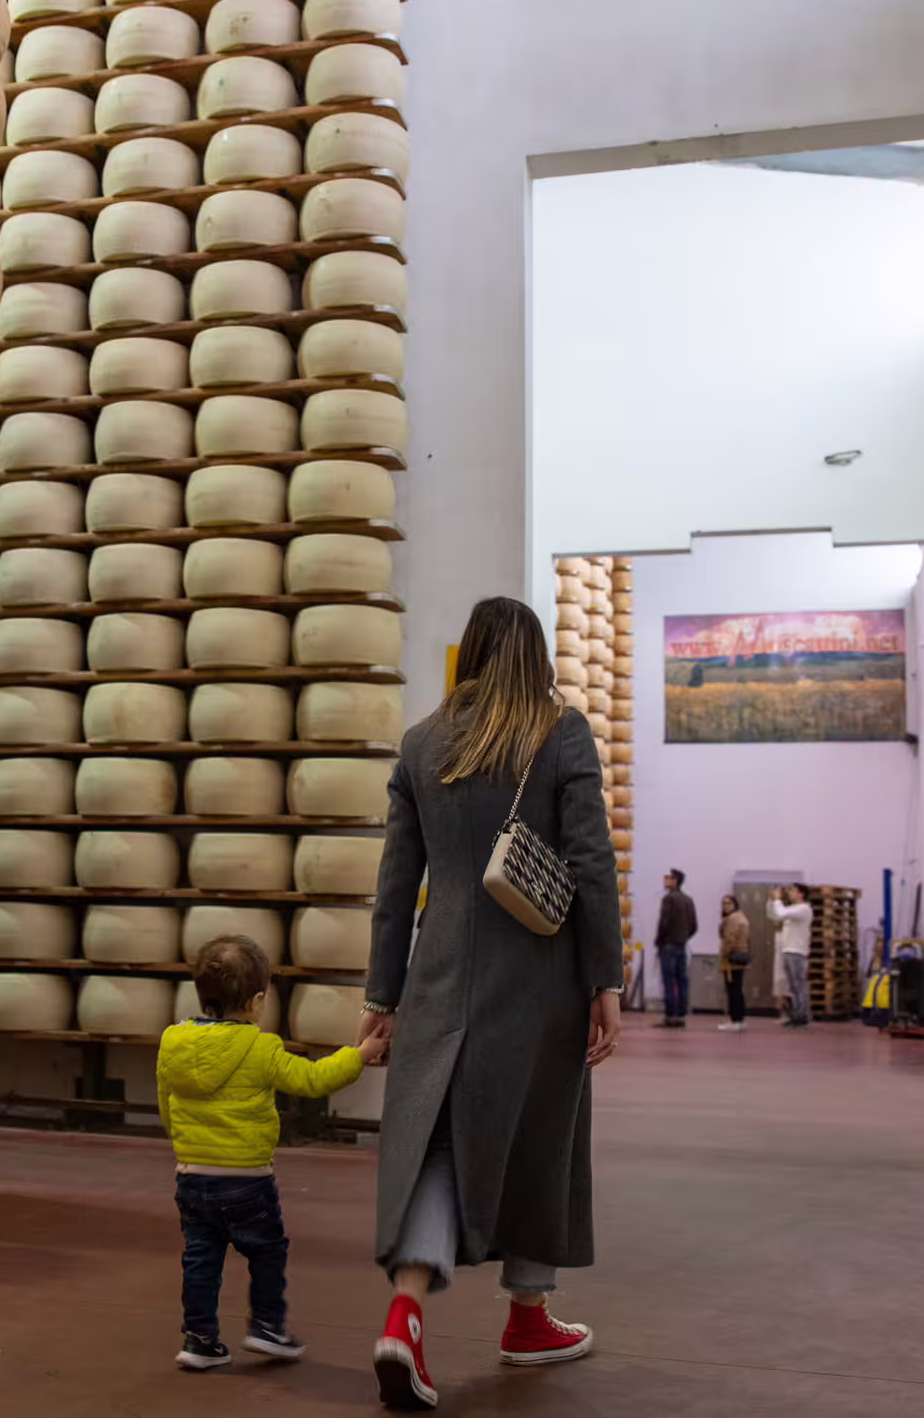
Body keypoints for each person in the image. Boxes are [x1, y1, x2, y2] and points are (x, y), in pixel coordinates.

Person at [358, 597, 624, 1410]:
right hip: (538, 978)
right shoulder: (558, 730)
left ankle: (405, 1318)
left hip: (441, 974)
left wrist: (383, 994)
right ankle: (527, 1317)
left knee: (436, 1143)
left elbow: (395, 889)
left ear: (468, 653)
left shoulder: (422, 743)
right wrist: (604, 980)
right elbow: (591, 863)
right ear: (538, 655)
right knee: (539, 1137)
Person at [156, 934, 388, 1374]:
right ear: (258, 1000)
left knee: (201, 1258)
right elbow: (314, 1080)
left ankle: (199, 1340)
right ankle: (266, 1326)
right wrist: (360, 1055)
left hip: (191, 1175)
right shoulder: (261, 1049)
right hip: (247, 1180)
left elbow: (167, 1105)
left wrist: (185, 1146)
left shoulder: (172, 1042)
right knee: (266, 1251)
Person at [655, 869, 698, 1027]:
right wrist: (684, 937)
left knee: (668, 981)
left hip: (668, 946)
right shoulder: (688, 900)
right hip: (682, 945)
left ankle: (670, 1016)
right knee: (682, 981)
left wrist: (660, 941)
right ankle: (681, 1015)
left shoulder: (668, 899)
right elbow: (694, 925)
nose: (665, 880)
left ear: (675, 881)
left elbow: (664, 923)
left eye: (669, 877)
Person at [768, 884, 815, 1028]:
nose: (789, 893)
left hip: (797, 951)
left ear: (801, 894)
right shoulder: (793, 909)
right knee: (793, 986)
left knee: (798, 985)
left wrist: (777, 900)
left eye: (793, 891)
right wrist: (772, 901)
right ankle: (796, 1013)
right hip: (788, 950)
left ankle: (802, 1015)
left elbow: (781, 913)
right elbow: (774, 915)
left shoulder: (803, 909)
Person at [717, 894, 751, 1031]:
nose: (725, 906)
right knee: (737, 989)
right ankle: (740, 1019)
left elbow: (729, 940)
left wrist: (723, 954)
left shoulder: (733, 919)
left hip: (732, 960)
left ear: (735, 904)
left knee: (733, 990)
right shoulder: (742, 917)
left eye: (728, 903)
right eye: (723, 903)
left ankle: (735, 1020)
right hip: (741, 957)